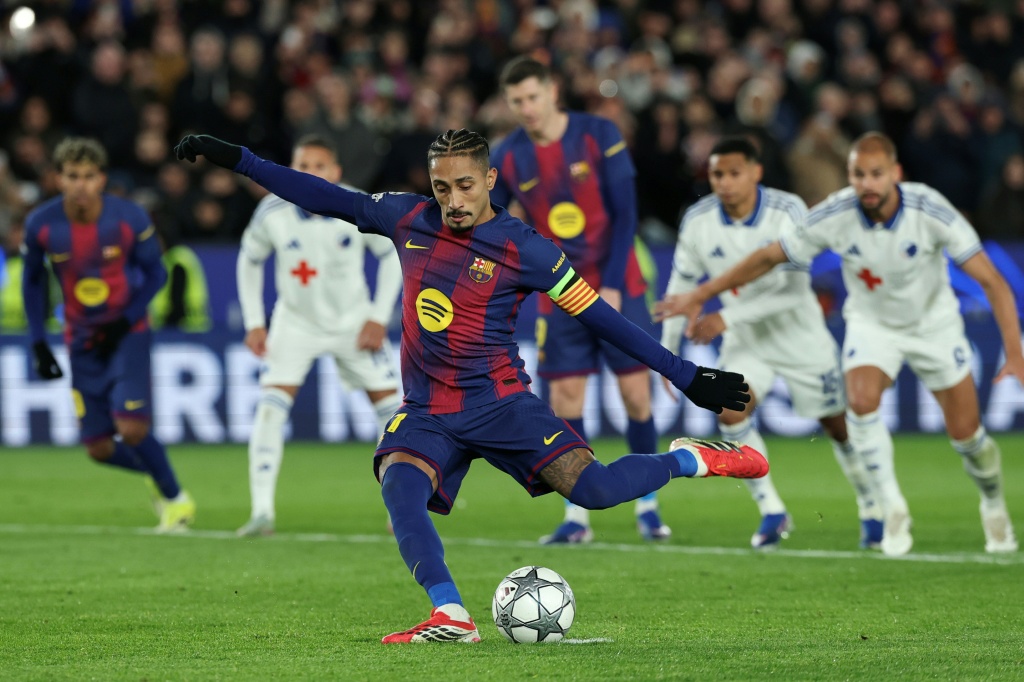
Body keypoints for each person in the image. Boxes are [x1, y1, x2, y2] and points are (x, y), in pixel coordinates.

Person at [174, 129, 767, 643]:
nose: (452, 200)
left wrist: (685, 375)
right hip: (428, 408)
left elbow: (599, 317)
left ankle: (690, 460)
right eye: (441, 187)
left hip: (501, 403)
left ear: (489, 180)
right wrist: (239, 160)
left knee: (597, 491)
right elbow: (324, 196)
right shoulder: (405, 217)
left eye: (464, 186)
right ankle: (449, 611)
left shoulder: (526, 249)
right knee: (398, 484)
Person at [656, 132, 1022, 556]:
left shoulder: (929, 209)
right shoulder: (835, 212)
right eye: (857, 174)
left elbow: (994, 282)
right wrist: (702, 295)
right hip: (871, 325)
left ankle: (992, 502)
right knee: (860, 400)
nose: (866, 183)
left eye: (876, 174)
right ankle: (889, 506)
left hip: (932, 327)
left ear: (896, 174)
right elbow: (768, 257)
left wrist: (1015, 353)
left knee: (967, 439)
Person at [661, 137, 882, 550]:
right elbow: (682, 287)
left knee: (837, 425)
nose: (724, 183)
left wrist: (727, 315)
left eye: (733, 174)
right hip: (748, 342)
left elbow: (795, 290)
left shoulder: (788, 210)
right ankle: (773, 512)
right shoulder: (699, 219)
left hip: (800, 335)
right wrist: (668, 353)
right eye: (716, 175)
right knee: (730, 411)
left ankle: (872, 506)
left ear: (756, 173)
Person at [490, 56, 669, 544]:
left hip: (619, 284)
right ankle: (576, 516)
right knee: (566, 399)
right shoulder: (508, 155)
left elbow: (626, 214)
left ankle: (648, 509)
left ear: (553, 91)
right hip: (559, 291)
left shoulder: (598, 134)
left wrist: (610, 282)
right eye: (517, 101)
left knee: (635, 395)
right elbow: (495, 220)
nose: (526, 108)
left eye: (532, 96)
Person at [22, 137, 195, 533]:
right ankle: (158, 474)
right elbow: (33, 281)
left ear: (101, 179)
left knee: (132, 427)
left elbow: (157, 273)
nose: (80, 185)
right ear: (58, 179)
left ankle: (176, 500)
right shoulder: (41, 225)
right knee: (98, 449)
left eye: (88, 176)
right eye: (72, 176)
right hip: (80, 339)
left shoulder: (129, 219)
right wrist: (37, 341)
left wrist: (128, 316)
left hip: (127, 333)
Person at [234, 134, 403, 537]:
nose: (310, 174)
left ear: (336, 172)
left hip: (353, 324)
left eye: (319, 166)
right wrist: (255, 321)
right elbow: (249, 260)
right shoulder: (271, 210)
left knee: (396, 413)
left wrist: (379, 317)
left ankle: (401, 509)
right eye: (303, 166)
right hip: (296, 324)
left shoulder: (357, 205)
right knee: (271, 408)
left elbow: (393, 255)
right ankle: (261, 512)